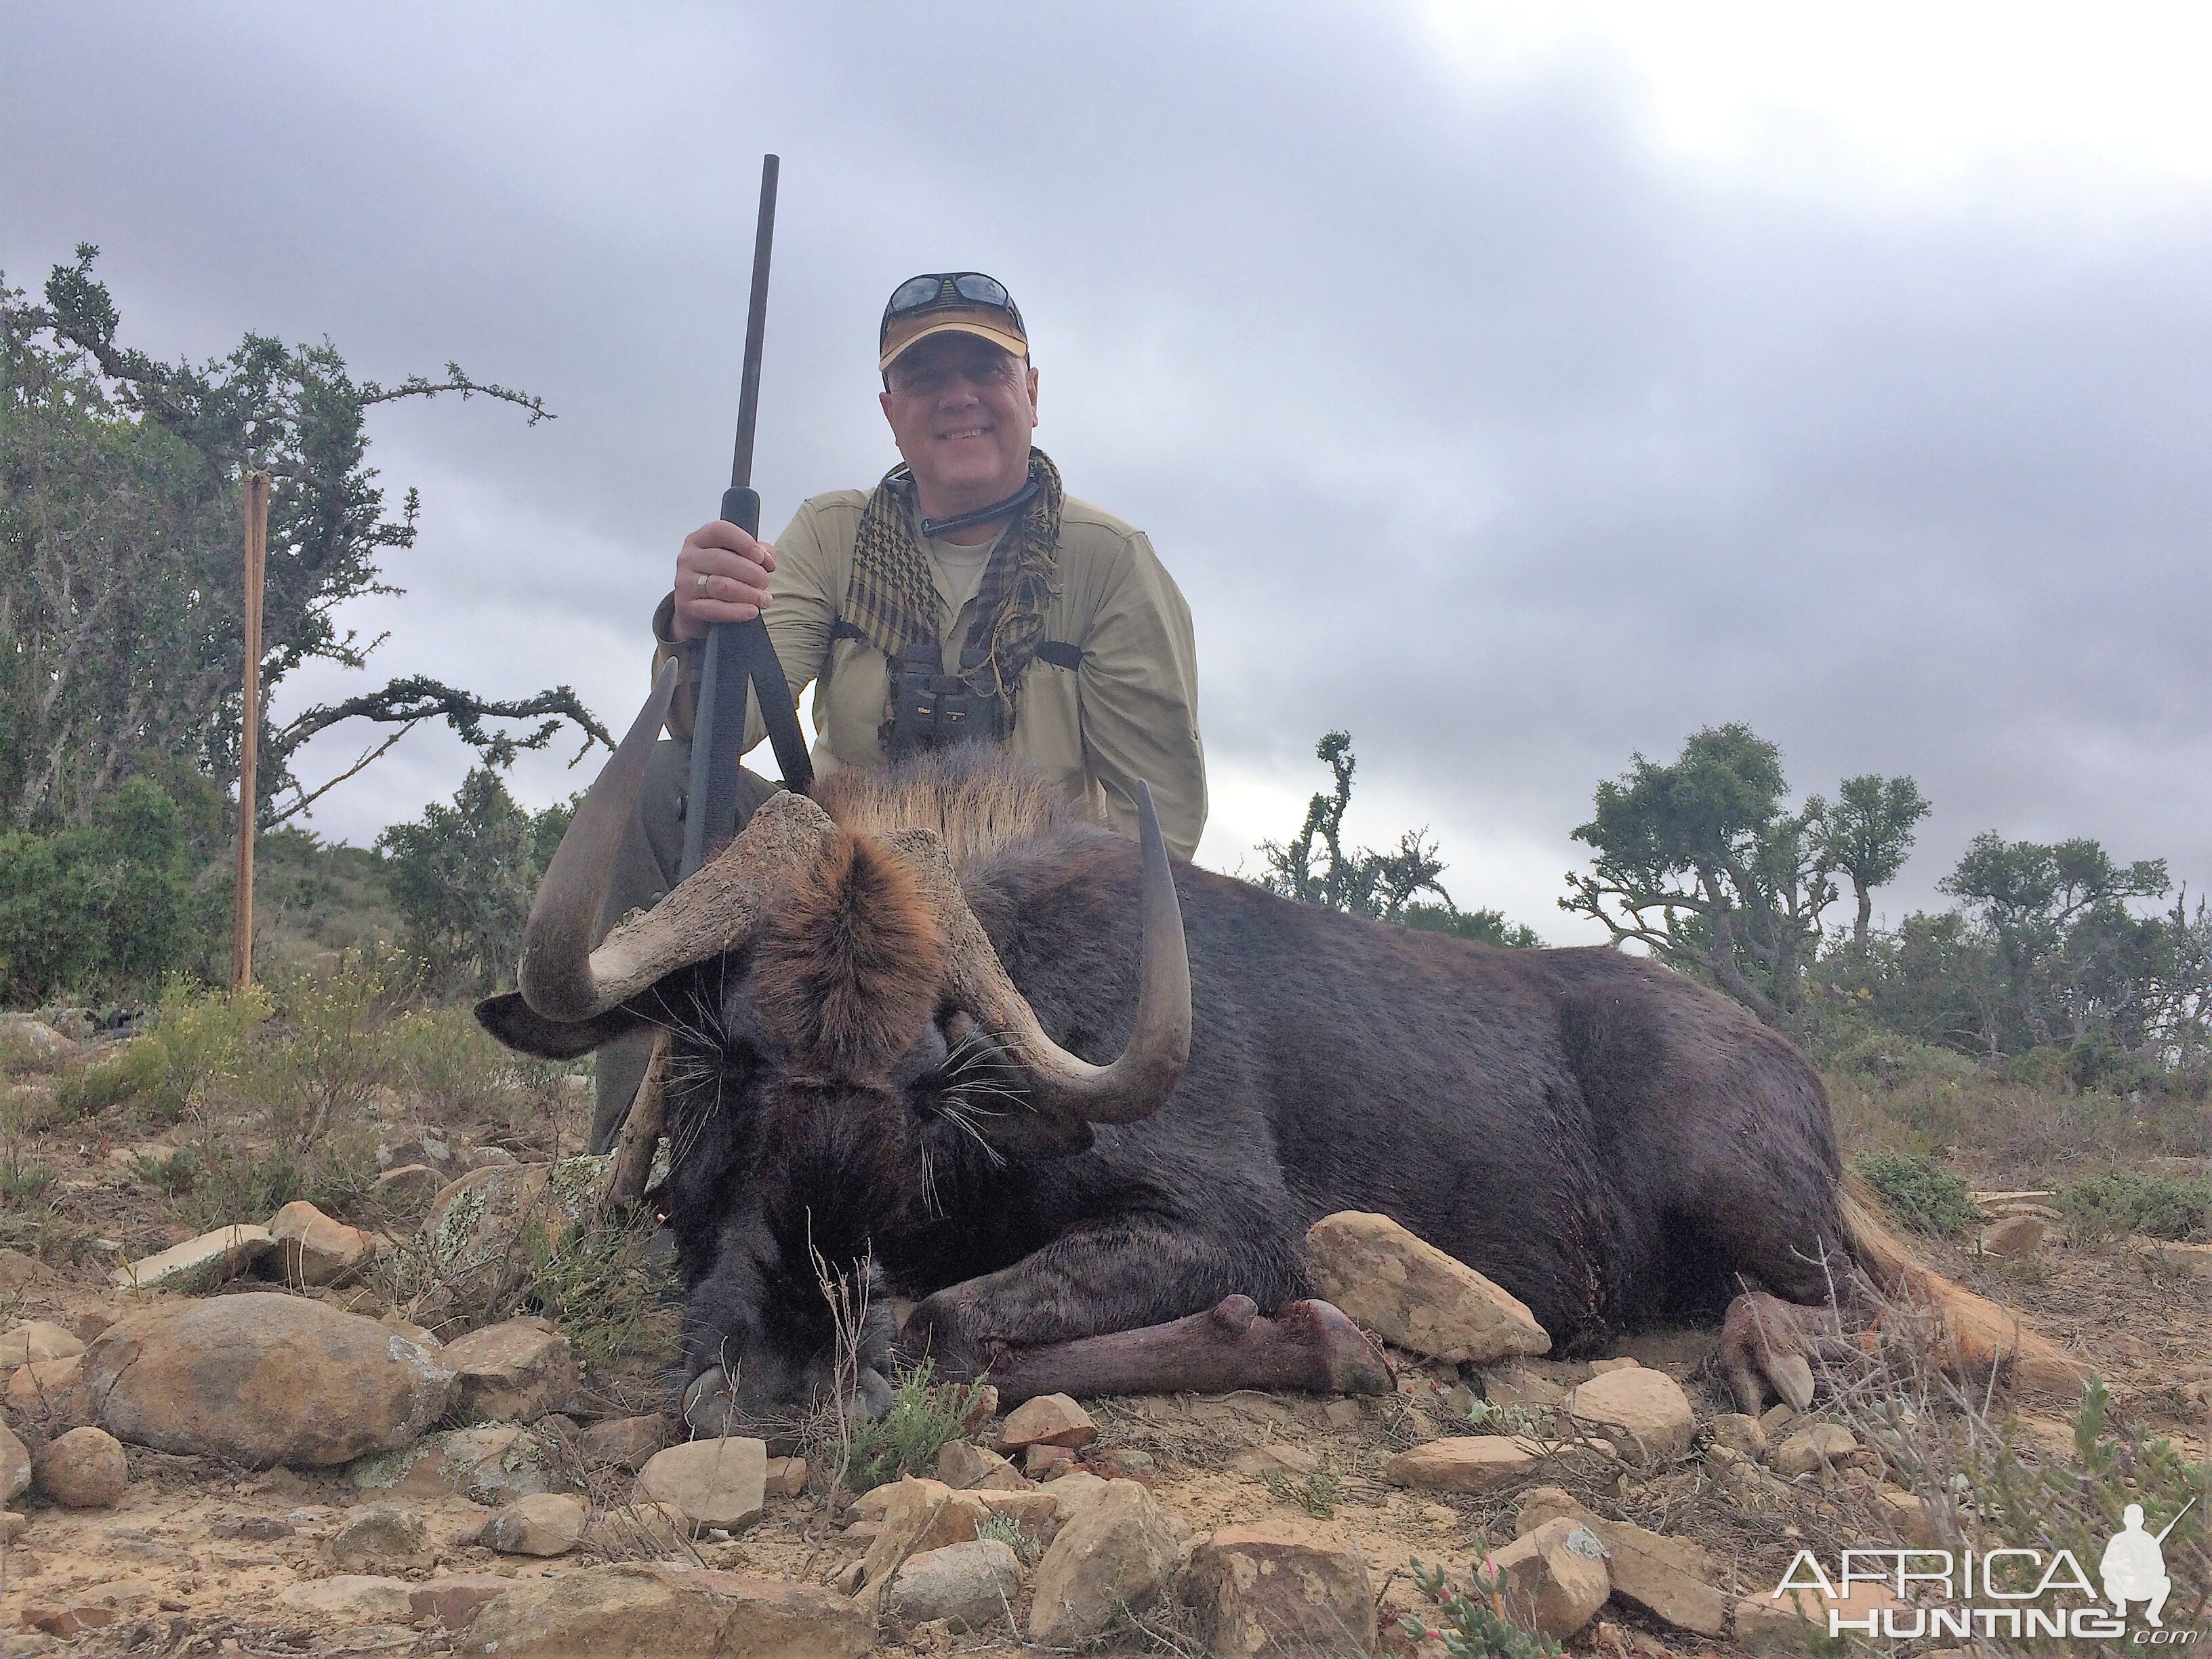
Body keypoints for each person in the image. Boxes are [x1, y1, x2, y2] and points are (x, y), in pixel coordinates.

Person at [586, 271, 1208, 1148]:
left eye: (985, 372)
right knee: (664, 786)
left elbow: (1163, 826)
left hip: (1025, 910)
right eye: (925, 378)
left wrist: (1046, 914)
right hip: (837, 897)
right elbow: (717, 727)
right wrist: (697, 629)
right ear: (889, 409)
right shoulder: (831, 533)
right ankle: (647, 1145)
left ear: (1031, 392)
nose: (959, 398)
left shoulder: (1111, 563)